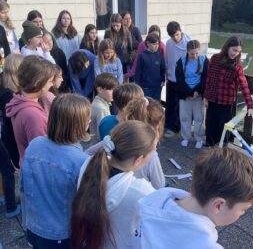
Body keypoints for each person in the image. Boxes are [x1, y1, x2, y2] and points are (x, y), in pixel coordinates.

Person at [133, 147, 253, 249]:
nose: (243, 213)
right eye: (243, 209)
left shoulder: (157, 198)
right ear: (218, 205)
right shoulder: (205, 245)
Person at [71, 121, 157, 249]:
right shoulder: (143, 192)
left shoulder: (89, 165)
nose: (154, 152)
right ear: (138, 159)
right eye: (153, 151)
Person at [22, 94, 90, 249]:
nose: (90, 121)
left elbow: (23, 186)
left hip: (34, 225)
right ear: (80, 124)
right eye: (88, 118)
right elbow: (87, 208)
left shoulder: (34, 144)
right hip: (61, 233)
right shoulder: (81, 161)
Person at [204, 36, 253, 146]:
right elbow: (209, 78)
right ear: (227, 47)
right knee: (210, 122)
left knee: (223, 124)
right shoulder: (215, 58)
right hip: (212, 98)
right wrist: (205, 97)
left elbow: (244, 85)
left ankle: (222, 145)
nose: (235, 53)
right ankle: (209, 142)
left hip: (226, 101)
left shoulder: (237, 66)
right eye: (234, 50)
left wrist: (250, 105)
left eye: (238, 51)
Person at [6, 55, 55, 165]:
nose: (52, 84)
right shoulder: (33, 115)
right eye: (50, 81)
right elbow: (41, 155)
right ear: (38, 82)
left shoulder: (18, 101)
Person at [0, 54, 24, 218]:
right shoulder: (9, 95)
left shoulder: (4, 89)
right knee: (7, 169)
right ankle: (10, 206)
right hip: (3, 139)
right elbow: (9, 130)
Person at [175, 40, 208, 148]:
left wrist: (197, 91)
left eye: (197, 53)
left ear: (200, 51)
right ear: (187, 51)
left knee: (199, 117)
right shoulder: (181, 61)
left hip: (198, 94)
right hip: (185, 93)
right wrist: (189, 92)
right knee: (184, 117)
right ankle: (186, 137)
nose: (194, 55)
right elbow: (179, 79)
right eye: (192, 53)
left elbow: (205, 78)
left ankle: (199, 137)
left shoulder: (204, 60)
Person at [164, 21, 191, 137]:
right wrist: (167, 74)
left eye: (177, 35)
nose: (175, 38)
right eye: (172, 36)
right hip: (171, 78)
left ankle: (176, 127)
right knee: (170, 103)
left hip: (183, 80)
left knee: (180, 106)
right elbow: (167, 59)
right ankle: (168, 124)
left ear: (181, 31)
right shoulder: (169, 43)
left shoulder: (189, 43)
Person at [135, 33, 165, 101]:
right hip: (146, 88)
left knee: (156, 106)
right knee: (146, 107)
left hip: (157, 87)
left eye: (158, 44)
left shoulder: (159, 55)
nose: (156, 46)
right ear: (148, 43)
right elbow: (138, 73)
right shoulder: (142, 56)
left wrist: (163, 80)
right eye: (154, 44)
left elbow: (162, 69)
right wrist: (138, 87)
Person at [90, 72, 119, 142]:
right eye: (111, 90)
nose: (114, 92)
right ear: (100, 90)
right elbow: (104, 135)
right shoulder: (101, 109)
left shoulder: (97, 102)